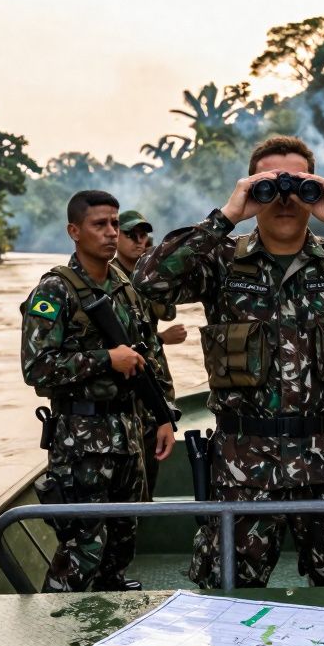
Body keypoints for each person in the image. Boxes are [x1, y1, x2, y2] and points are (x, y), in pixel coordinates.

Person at [133, 135, 324, 588]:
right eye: (270, 185)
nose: (286, 198)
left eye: (301, 184)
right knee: (230, 598)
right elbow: (148, 282)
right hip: (241, 468)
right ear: (250, 190)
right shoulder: (222, 263)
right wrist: (225, 218)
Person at [20, 190, 175, 592]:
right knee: (82, 548)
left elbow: (149, 355)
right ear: (74, 231)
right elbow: (36, 369)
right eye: (99, 225)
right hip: (81, 439)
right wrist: (107, 359)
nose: (110, 233)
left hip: (128, 433)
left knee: (122, 540)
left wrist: (162, 416)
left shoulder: (124, 285)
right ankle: (55, 624)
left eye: (113, 224)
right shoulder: (55, 291)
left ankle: (110, 609)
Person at [115, 209, 187, 499]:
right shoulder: (110, 279)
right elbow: (119, 341)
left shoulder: (148, 275)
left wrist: (152, 267)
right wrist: (161, 338)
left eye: (144, 235)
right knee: (130, 472)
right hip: (128, 387)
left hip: (154, 383)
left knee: (151, 462)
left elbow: (167, 310)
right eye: (131, 235)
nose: (139, 241)